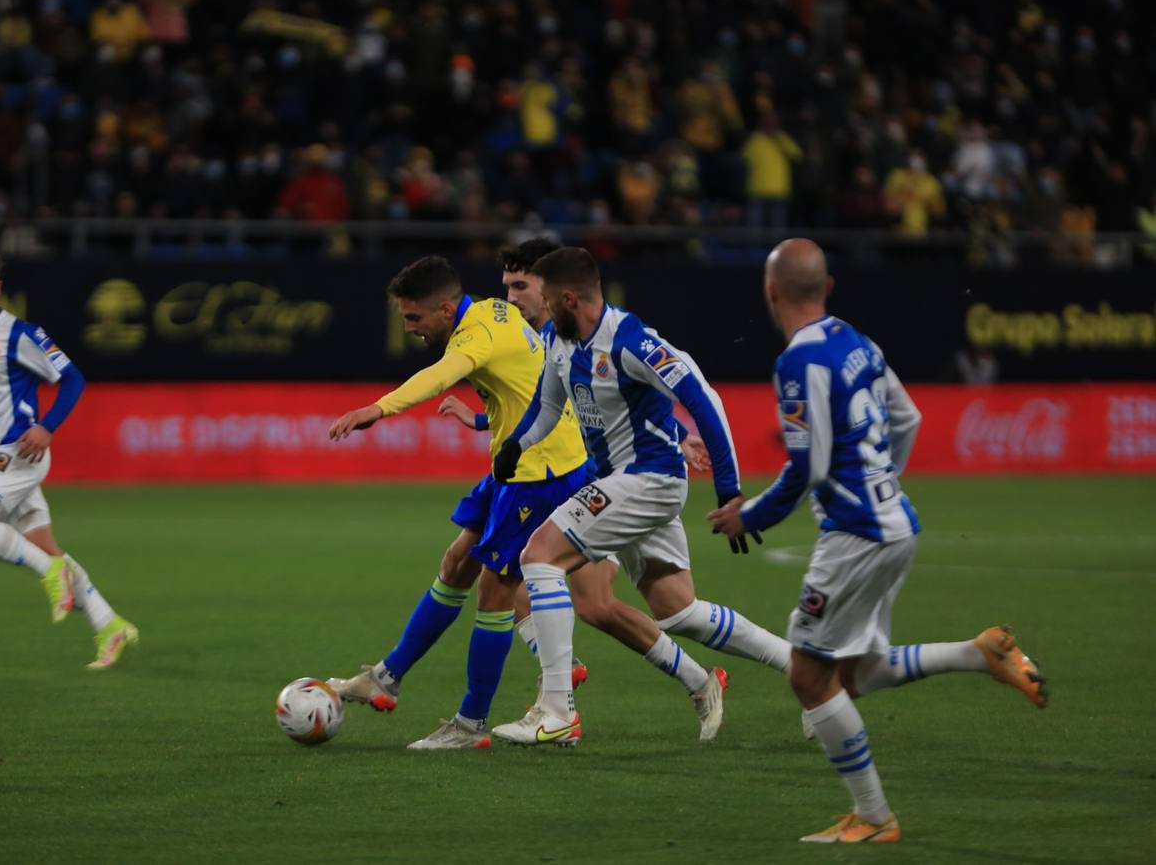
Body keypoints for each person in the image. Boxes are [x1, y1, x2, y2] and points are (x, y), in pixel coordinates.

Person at [707, 238, 1046, 844]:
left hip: (856, 535)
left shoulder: (798, 361)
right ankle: (979, 653)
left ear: (771, 291)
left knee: (809, 678)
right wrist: (882, 483)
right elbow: (908, 418)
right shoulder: (858, 342)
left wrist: (749, 517)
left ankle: (873, 815)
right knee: (853, 675)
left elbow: (806, 467)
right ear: (828, 287)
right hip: (894, 523)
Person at [325, 252, 722, 750]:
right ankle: (389, 675)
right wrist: (481, 422)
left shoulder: (477, 334)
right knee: (460, 565)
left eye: (413, 317)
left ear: (447, 311)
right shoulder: (496, 311)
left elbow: (441, 375)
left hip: (545, 472)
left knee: (510, 592)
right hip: (516, 464)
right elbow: (532, 386)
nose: (408, 328)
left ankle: (473, 724)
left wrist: (377, 409)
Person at [490, 246, 790, 746]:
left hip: (649, 482)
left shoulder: (632, 342)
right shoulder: (560, 343)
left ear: (568, 298)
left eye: (542, 297)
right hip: (620, 485)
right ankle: (799, 664)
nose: (535, 305)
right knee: (679, 610)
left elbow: (704, 400)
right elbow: (547, 406)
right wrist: (517, 444)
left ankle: (556, 710)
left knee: (538, 558)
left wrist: (731, 491)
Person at [0, 246, 137, 669]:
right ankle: (110, 625)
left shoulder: (21, 334)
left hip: (20, 449)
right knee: (47, 548)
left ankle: (50, 574)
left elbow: (72, 378)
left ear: (0, 288)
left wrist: (47, 426)